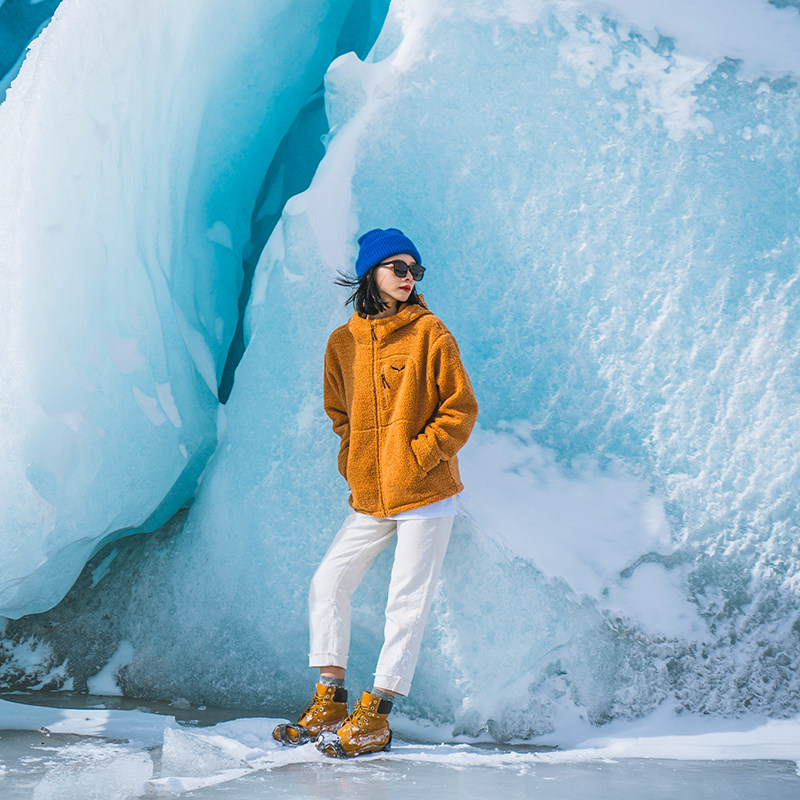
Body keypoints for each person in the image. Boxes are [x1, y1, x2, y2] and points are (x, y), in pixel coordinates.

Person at [272, 227, 478, 758]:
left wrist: (417, 456)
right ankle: (331, 699)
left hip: (426, 493)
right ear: (372, 273)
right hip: (371, 494)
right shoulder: (342, 342)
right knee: (328, 583)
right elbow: (339, 414)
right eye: (399, 269)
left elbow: (460, 410)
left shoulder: (431, 333)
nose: (409, 279)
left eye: (416, 271)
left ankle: (377, 716)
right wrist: (354, 460)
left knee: (405, 603)